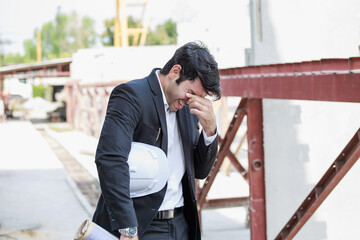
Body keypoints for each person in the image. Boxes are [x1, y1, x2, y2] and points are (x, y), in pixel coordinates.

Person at [93, 41, 222, 240]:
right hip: (142, 225)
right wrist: (127, 227)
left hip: (182, 224)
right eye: (192, 93)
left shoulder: (188, 108)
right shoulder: (131, 96)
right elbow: (110, 159)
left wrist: (210, 129)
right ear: (175, 71)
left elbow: (200, 170)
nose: (193, 101)